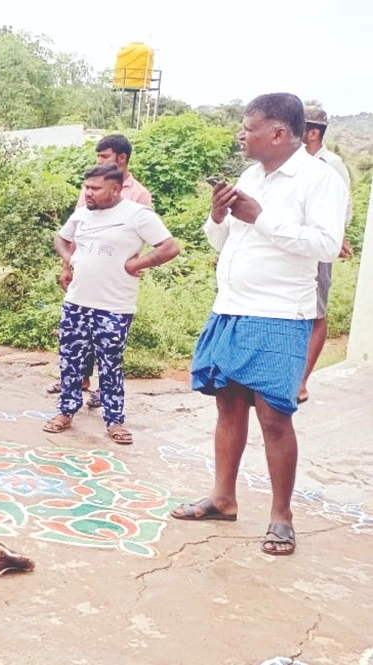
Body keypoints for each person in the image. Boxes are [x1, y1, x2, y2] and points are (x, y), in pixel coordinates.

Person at [172, 93, 347, 557]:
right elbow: (224, 238)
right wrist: (217, 215)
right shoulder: (252, 176)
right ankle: (222, 498)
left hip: (279, 315)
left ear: (277, 133)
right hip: (230, 307)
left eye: (249, 127)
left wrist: (261, 218)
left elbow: (327, 245)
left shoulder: (320, 179)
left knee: (273, 416)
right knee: (228, 405)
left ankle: (281, 517)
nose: (241, 134)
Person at [41, 164, 181, 444]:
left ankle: (114, 421)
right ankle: (65, 412)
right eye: (87, 187)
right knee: (70, 362)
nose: (88, 193)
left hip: (114, 306)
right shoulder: (83, 214)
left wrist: (137, 263)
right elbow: (61, 237)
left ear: (115, 189)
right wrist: (70, 260)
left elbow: (170, 247)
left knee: (110, 364)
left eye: (95, 188)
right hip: (76, 302)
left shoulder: (137, 215)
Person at [48, 134, 155, 404]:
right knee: (76, 335)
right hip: (84, 276)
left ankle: (103, 393)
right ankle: (76, 382)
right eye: (98, 157)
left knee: (108, 344)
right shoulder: (91, 188)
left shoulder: (139, 195)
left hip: (114, 283)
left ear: (122, 158)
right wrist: (67, 265)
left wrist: (134, 263)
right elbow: (74, 231)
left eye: (104, 157)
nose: (100, 161)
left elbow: (146, 238)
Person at [298, 105, 353, 404]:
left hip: (317, 246)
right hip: (293, 246)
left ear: (313, 132)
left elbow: (342, 209)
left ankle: (302, 381)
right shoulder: (292, 163)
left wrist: (336, 237)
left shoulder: (331, 165)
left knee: (316, 312)